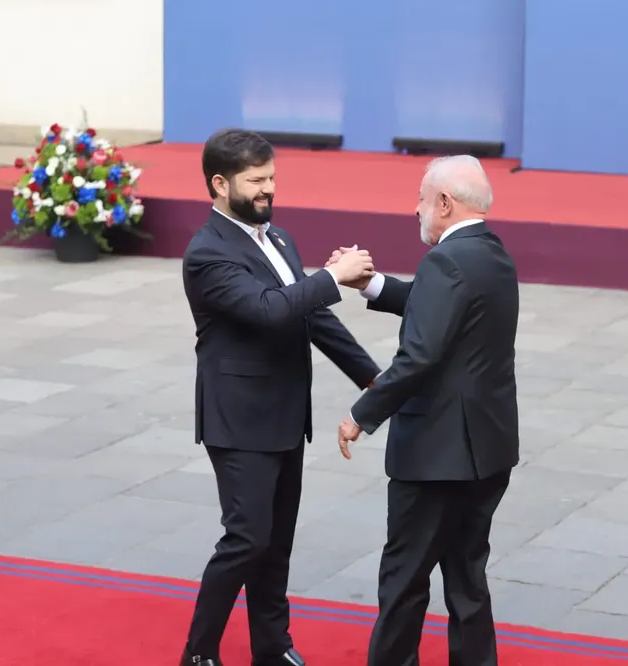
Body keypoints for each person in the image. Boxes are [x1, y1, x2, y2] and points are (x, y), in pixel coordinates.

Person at [180, 128, 382, 666]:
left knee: (276, 543)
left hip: (286, 416)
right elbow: (269, 310)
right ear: (219, 184)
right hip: (239, 419)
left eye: (271, 177)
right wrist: (332, 276)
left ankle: (272, 647)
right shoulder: (207, 253)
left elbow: (311, 316)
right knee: (246, 539)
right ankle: (198, 654)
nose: (269, 189)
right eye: (256, 181)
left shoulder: (280, 239)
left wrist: (373, 379)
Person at [332, 155, 520, 666]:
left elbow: (418, 356)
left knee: (404, 581)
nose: (415, 209)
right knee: (467, 581)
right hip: (487, 451)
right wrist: (371, 284)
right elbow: (435, 302)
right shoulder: (491, 253)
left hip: (437, 456)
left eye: (420, 198)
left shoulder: (445, 261)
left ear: (444, 202)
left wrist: (361, 414)